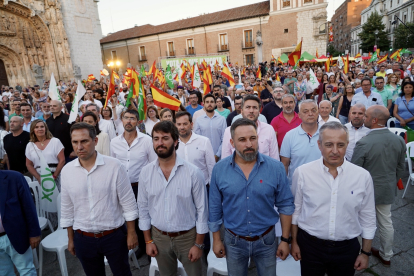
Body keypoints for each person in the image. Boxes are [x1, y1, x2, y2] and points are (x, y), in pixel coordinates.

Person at [209, 118, 294, 276]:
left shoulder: (275, 168)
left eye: (252, 138)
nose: (249, 144)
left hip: (267, 241)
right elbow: (214, 207)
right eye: (242, 140)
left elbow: (286, 204)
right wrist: (216, 240)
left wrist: (285, 240)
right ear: (232, 143)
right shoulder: (219, 169)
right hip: (233, 241)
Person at [291, 122, 376, 276]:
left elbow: (368, 216)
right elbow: (296, 210)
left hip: (346, 249)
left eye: (341, 145)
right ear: (319, 145)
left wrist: (365, 252)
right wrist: (294, 242)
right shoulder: (303, 173)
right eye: (329, 145)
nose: (335, 151)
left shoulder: (362, 176)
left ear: (347, 145)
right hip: (310, 247)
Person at [61, 123, 139, 276]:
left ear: (95, 141)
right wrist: (71, 239)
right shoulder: (67, 171)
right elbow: (67, 207)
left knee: (122, 273)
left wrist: (131, 232)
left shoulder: (115, 166)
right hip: (83, 238)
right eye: (75, 142)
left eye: (84, 141)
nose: (79, 146)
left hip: (114, 236)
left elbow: (128, 203)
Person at [138, 121, 208, 276]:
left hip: (188, 238)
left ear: (175, 142)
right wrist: (148, 241)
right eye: (156, 139)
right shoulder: (145, 173)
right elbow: (143, 209)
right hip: (159, 237)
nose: (160, 143)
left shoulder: (193, 173)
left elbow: (202, 211)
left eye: (165, 138)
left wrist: (198, 244)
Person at [352, 106, 406, 266]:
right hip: (386, 188)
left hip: (364, 192)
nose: (363, 118)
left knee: (360, 222)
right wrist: (390, 182)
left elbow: (355, 171)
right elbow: (400, 168)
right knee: (386, 222)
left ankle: (361, 252)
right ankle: (386, 255)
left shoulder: (364, 142)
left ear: (374, 120)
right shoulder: (398, 139)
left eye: (366, 116)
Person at [110, 109, 157, 257]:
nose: (129, 121)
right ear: (122, 120)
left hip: (141, 186)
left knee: (145, 216)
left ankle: (149, 245)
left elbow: (153, 164)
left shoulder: (147, 140)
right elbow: (112, 165)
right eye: (126, 118)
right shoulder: (114, 142)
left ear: (137, 122)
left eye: (132, 118)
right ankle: (138, 247)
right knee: (130, 218)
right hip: (122, 188)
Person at [0, 170, 41, 276]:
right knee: (4, 273)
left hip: (16, 234)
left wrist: (34, 233)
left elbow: (28, 206)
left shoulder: (14, 178)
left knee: (26, 271)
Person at [222, 95, 279, 160]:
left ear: (259, 112)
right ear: (241, 110)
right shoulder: (229, 131)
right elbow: (225, 159)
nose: (251, 111)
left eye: (255, 107)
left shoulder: (269, 129)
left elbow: (275, 158)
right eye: (248, 107)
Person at [280, 99, 322, 186]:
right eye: (305, 111)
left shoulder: (327, 133)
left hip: (322, 185)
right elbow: (285, 164)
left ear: (318, 112)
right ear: (299, 115)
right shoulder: (290, 136)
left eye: (313, 110)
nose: (310, 114)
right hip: (298, 187)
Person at [176, 111, 215, 188]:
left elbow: (211, 166)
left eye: (185, 124)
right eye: (179, 124)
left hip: (203, 186)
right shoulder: (172, 144)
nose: (182, 127)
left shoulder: (204, 141)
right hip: (181, 187)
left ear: (191, 125)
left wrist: (212, 187)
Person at [194, 94, 227, 162]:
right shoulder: (198, 120)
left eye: (212, 102)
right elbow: (197, 140)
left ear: (215, 104)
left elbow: (224, 139)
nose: (209, 104)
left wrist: (217, 155)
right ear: (204, 104)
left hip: (219, 158)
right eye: (207, 102)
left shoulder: (222, 119)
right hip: (203, 158)